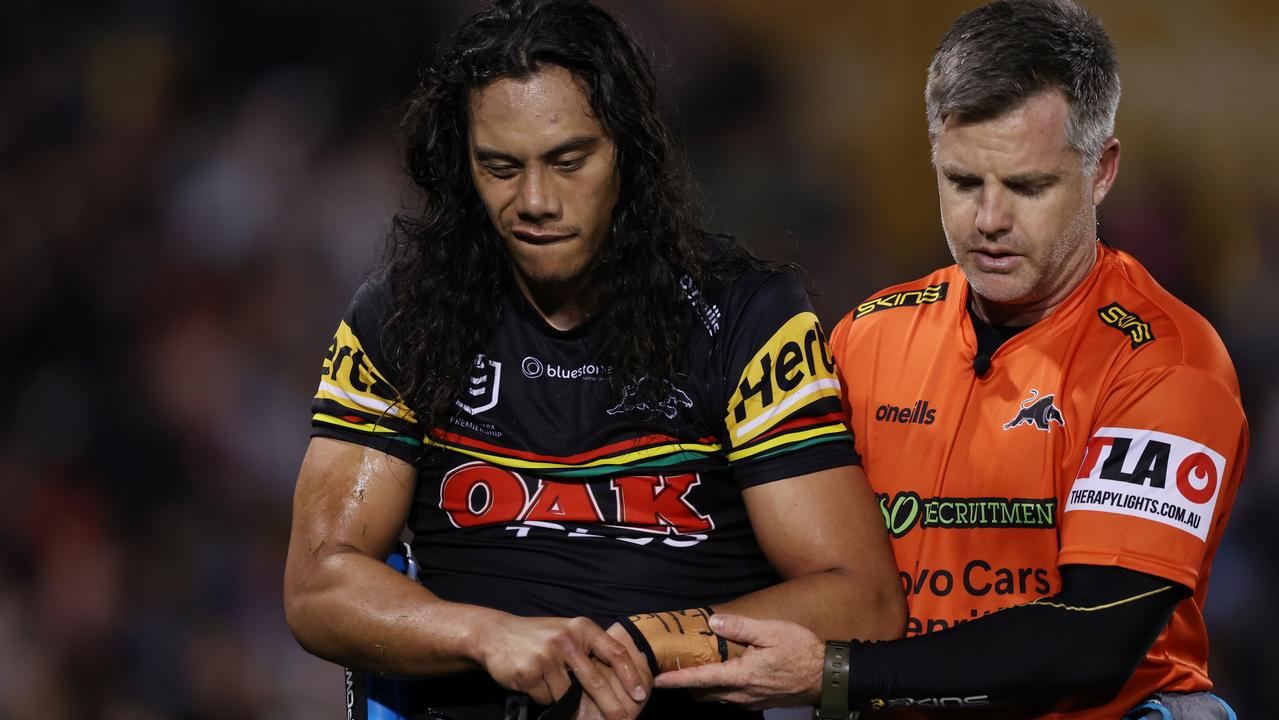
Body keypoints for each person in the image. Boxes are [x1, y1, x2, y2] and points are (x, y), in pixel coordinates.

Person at [281, 1, 905, 719]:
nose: (535, 201)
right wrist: (486, 635)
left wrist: (646, 649)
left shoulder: (745, 319)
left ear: (627, 153)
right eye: (500, 168)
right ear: (463, 166)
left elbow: (862, 597)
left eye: (568, 160)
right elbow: (318, 585)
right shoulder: (402, 316)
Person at [654, 1, 1248, 719]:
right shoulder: (864, 336)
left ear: (1100, 173)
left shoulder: (1165, 363)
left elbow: (1095, 637)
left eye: (1027, 186)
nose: (988, 220)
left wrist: (840, 674)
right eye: (962, 181)